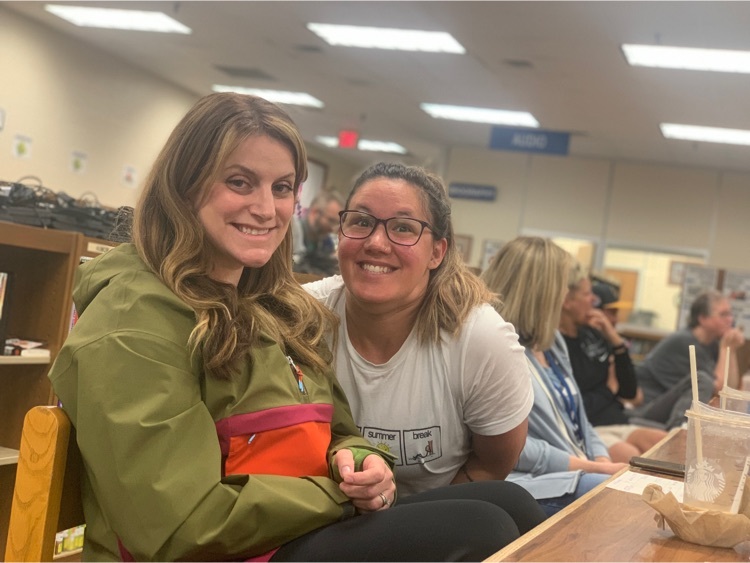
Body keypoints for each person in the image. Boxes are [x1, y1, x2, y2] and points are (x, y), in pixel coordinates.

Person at [47, 93, 528, 562]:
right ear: (184, 185)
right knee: (484, 530)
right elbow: (180, 526)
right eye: (240, 182)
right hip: (223, 548)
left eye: (281, 188)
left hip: (284, 530)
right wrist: (336, 496)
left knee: (513, 506)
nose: (266, 208)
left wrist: (362, 463)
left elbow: (339, 430)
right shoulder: (131, 325)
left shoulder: (273, 305)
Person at [305, 163, 545, 533]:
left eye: (403, 228)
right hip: (320, 517)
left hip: (431, 512)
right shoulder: (301, 317)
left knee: (511, 508)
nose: (376, 242)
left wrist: (407, 519)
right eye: (361, 221)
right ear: (341, 232)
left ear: (437, 252)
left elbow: (492, 466)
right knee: (495, 522)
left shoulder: (480, 339)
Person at [481, 236, 628, 516]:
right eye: (561, 286)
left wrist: (601, 458)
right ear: (542, 292)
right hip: (533, 484)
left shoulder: (553, 342)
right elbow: (513, 449)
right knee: (623, 502)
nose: (565, 295)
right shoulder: (496, 347)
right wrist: (597, 468)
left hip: (578, 473)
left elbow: (581, 422)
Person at [559, 270, 667, 463]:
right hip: (590, 427)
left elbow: (629, 391)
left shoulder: (594, 335)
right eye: (586, 295)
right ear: (567, 302)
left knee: (664, 443)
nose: (591, 301)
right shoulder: (558, 345)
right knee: (631, 456)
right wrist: (609, 390)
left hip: (617, 420)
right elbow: (575, 406)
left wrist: (615, 340)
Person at [633, 290, 746, 429]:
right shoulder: (684, 342)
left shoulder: (711, 344)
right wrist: (725, 348)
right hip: (646, 410)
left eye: (730, 314)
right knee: (703, 380)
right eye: (723, 314)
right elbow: (717, 390)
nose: (730, 320)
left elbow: (730, 389)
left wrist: (731, 350)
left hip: (667, 409)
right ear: (703, 318)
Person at [292, 191, 343, 276]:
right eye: (331, 221)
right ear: (314, 213)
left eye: (337, 223)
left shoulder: (326, 242)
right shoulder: (293, 232)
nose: (333, 228)